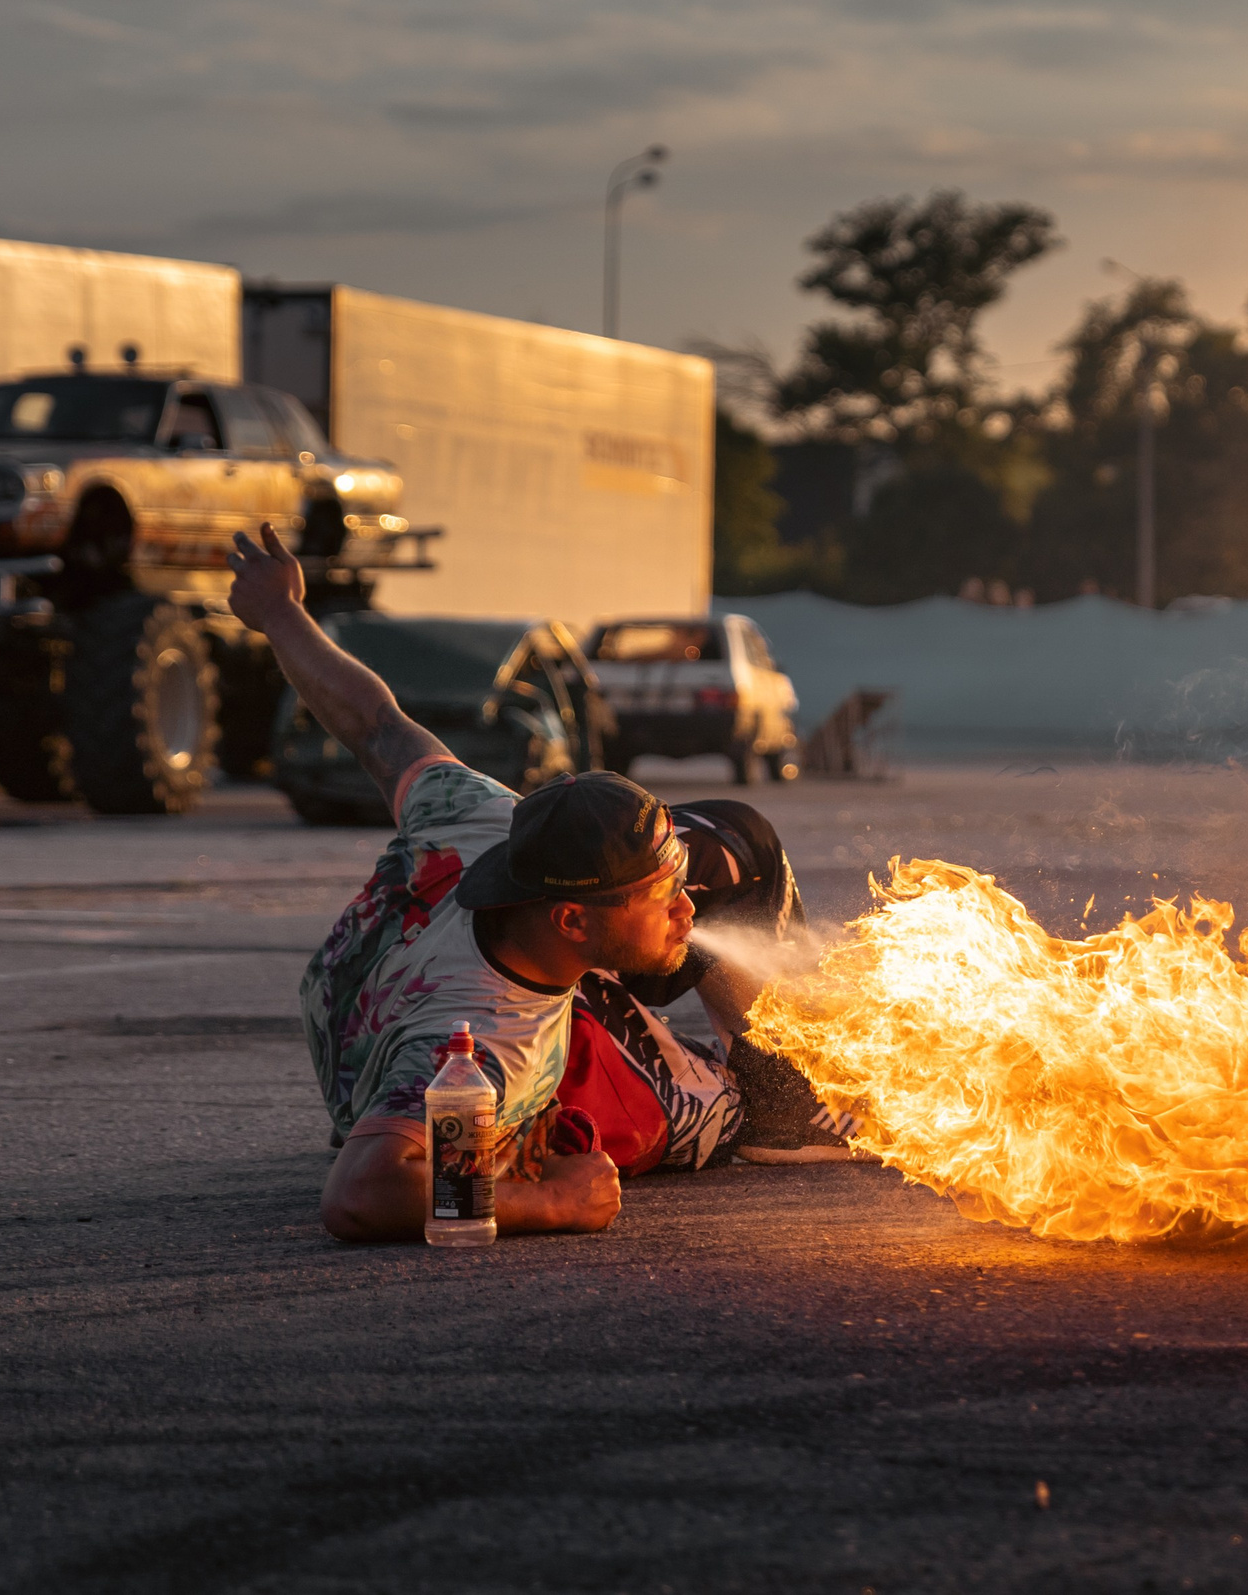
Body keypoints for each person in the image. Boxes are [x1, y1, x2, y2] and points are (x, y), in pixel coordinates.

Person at [226, 524, 853, 1243]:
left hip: (409, 977)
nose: (690, 909)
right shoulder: (492, 1046)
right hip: (438, 1046)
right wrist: (553, 1202)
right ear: (572, 919)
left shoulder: (478, 819)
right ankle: (769, 1115)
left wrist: (280, 613)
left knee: (739, 841)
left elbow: (376, 725)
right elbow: (359, 1194)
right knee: (714, 1110)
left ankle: (760, 1064)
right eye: (664, 896)